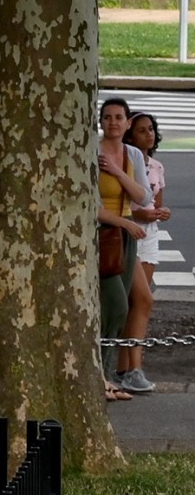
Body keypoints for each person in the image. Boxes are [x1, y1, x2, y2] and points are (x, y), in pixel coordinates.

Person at [96, 96, 156, 398]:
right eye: (107, 117)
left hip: (126, 236)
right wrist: (125, 224)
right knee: (114, 305)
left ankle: (106, 376)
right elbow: (90, 207)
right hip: (102, 235)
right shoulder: (92, 152)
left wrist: (119, 172)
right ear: (101, 121)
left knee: (121, 309)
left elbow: (144, 197)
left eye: (119, 117)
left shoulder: (131, 154)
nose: (113, 123)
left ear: (127, 123)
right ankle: (101, 376)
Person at [127, 110, 172, 394]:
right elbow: (129, 205)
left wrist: (160, 213)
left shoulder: (156, 166)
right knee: (140, 300)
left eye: (151, 129)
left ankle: (131, 365)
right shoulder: (126, 161)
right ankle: (131, 368)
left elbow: (156, 203)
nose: (149, 134)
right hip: (130, 232)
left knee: (138, 303)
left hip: (150, 236)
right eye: (142, 130)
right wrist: (145, 214)